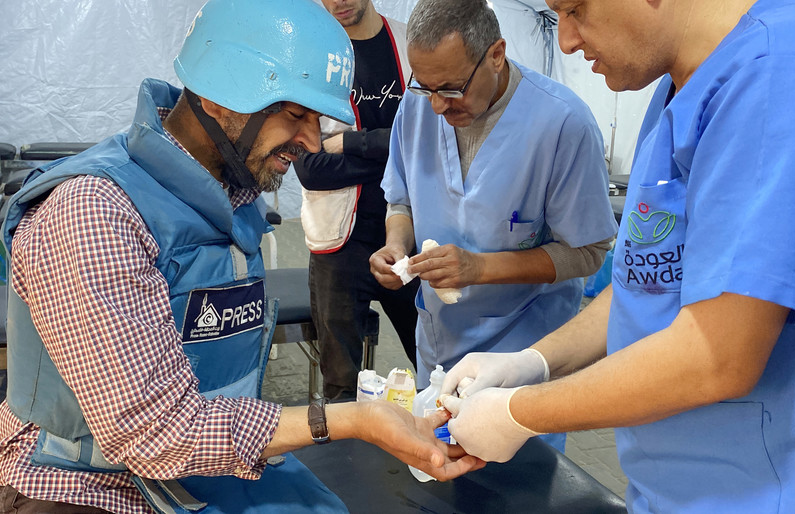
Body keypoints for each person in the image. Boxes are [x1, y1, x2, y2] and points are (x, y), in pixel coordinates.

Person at [0, 0, 483, 512]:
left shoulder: (231, 191)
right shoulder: (94, 215)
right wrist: (348, 420)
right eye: (296, 113)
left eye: (317, 119)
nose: (311, 141)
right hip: (82, 482)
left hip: (202, 465)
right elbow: (152, 432)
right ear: (221, 97)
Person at [438, 0, 795, 511]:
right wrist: (533, 362)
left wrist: (520, 412)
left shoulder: (772, 76)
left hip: (752, 492)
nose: (565, 40)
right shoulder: (676, 84)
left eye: (576, 9)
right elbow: (647, 283)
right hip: (666, 486)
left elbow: (721, 355)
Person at [369, 0, 618, 451]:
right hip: (440, 345)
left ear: (496, 54)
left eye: (451, 87)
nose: (439, 106)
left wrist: (480, 268)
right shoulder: (416, 108)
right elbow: (400, 197)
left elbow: (588, 252)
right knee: (438, 470)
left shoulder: (562, 124)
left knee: (519, 488)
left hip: (520, 353)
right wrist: (394, 244)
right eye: (426, 87)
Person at [294, 0, 419, 401]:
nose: (338, 3)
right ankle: (343, 457)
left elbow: (427, 140)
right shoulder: (310, 56)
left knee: (436, 362)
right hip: (338, 243)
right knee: (339, 385)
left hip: (409, 237)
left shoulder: (409, 43)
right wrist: (395, 157)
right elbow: (310, 167)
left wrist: (349, 143)